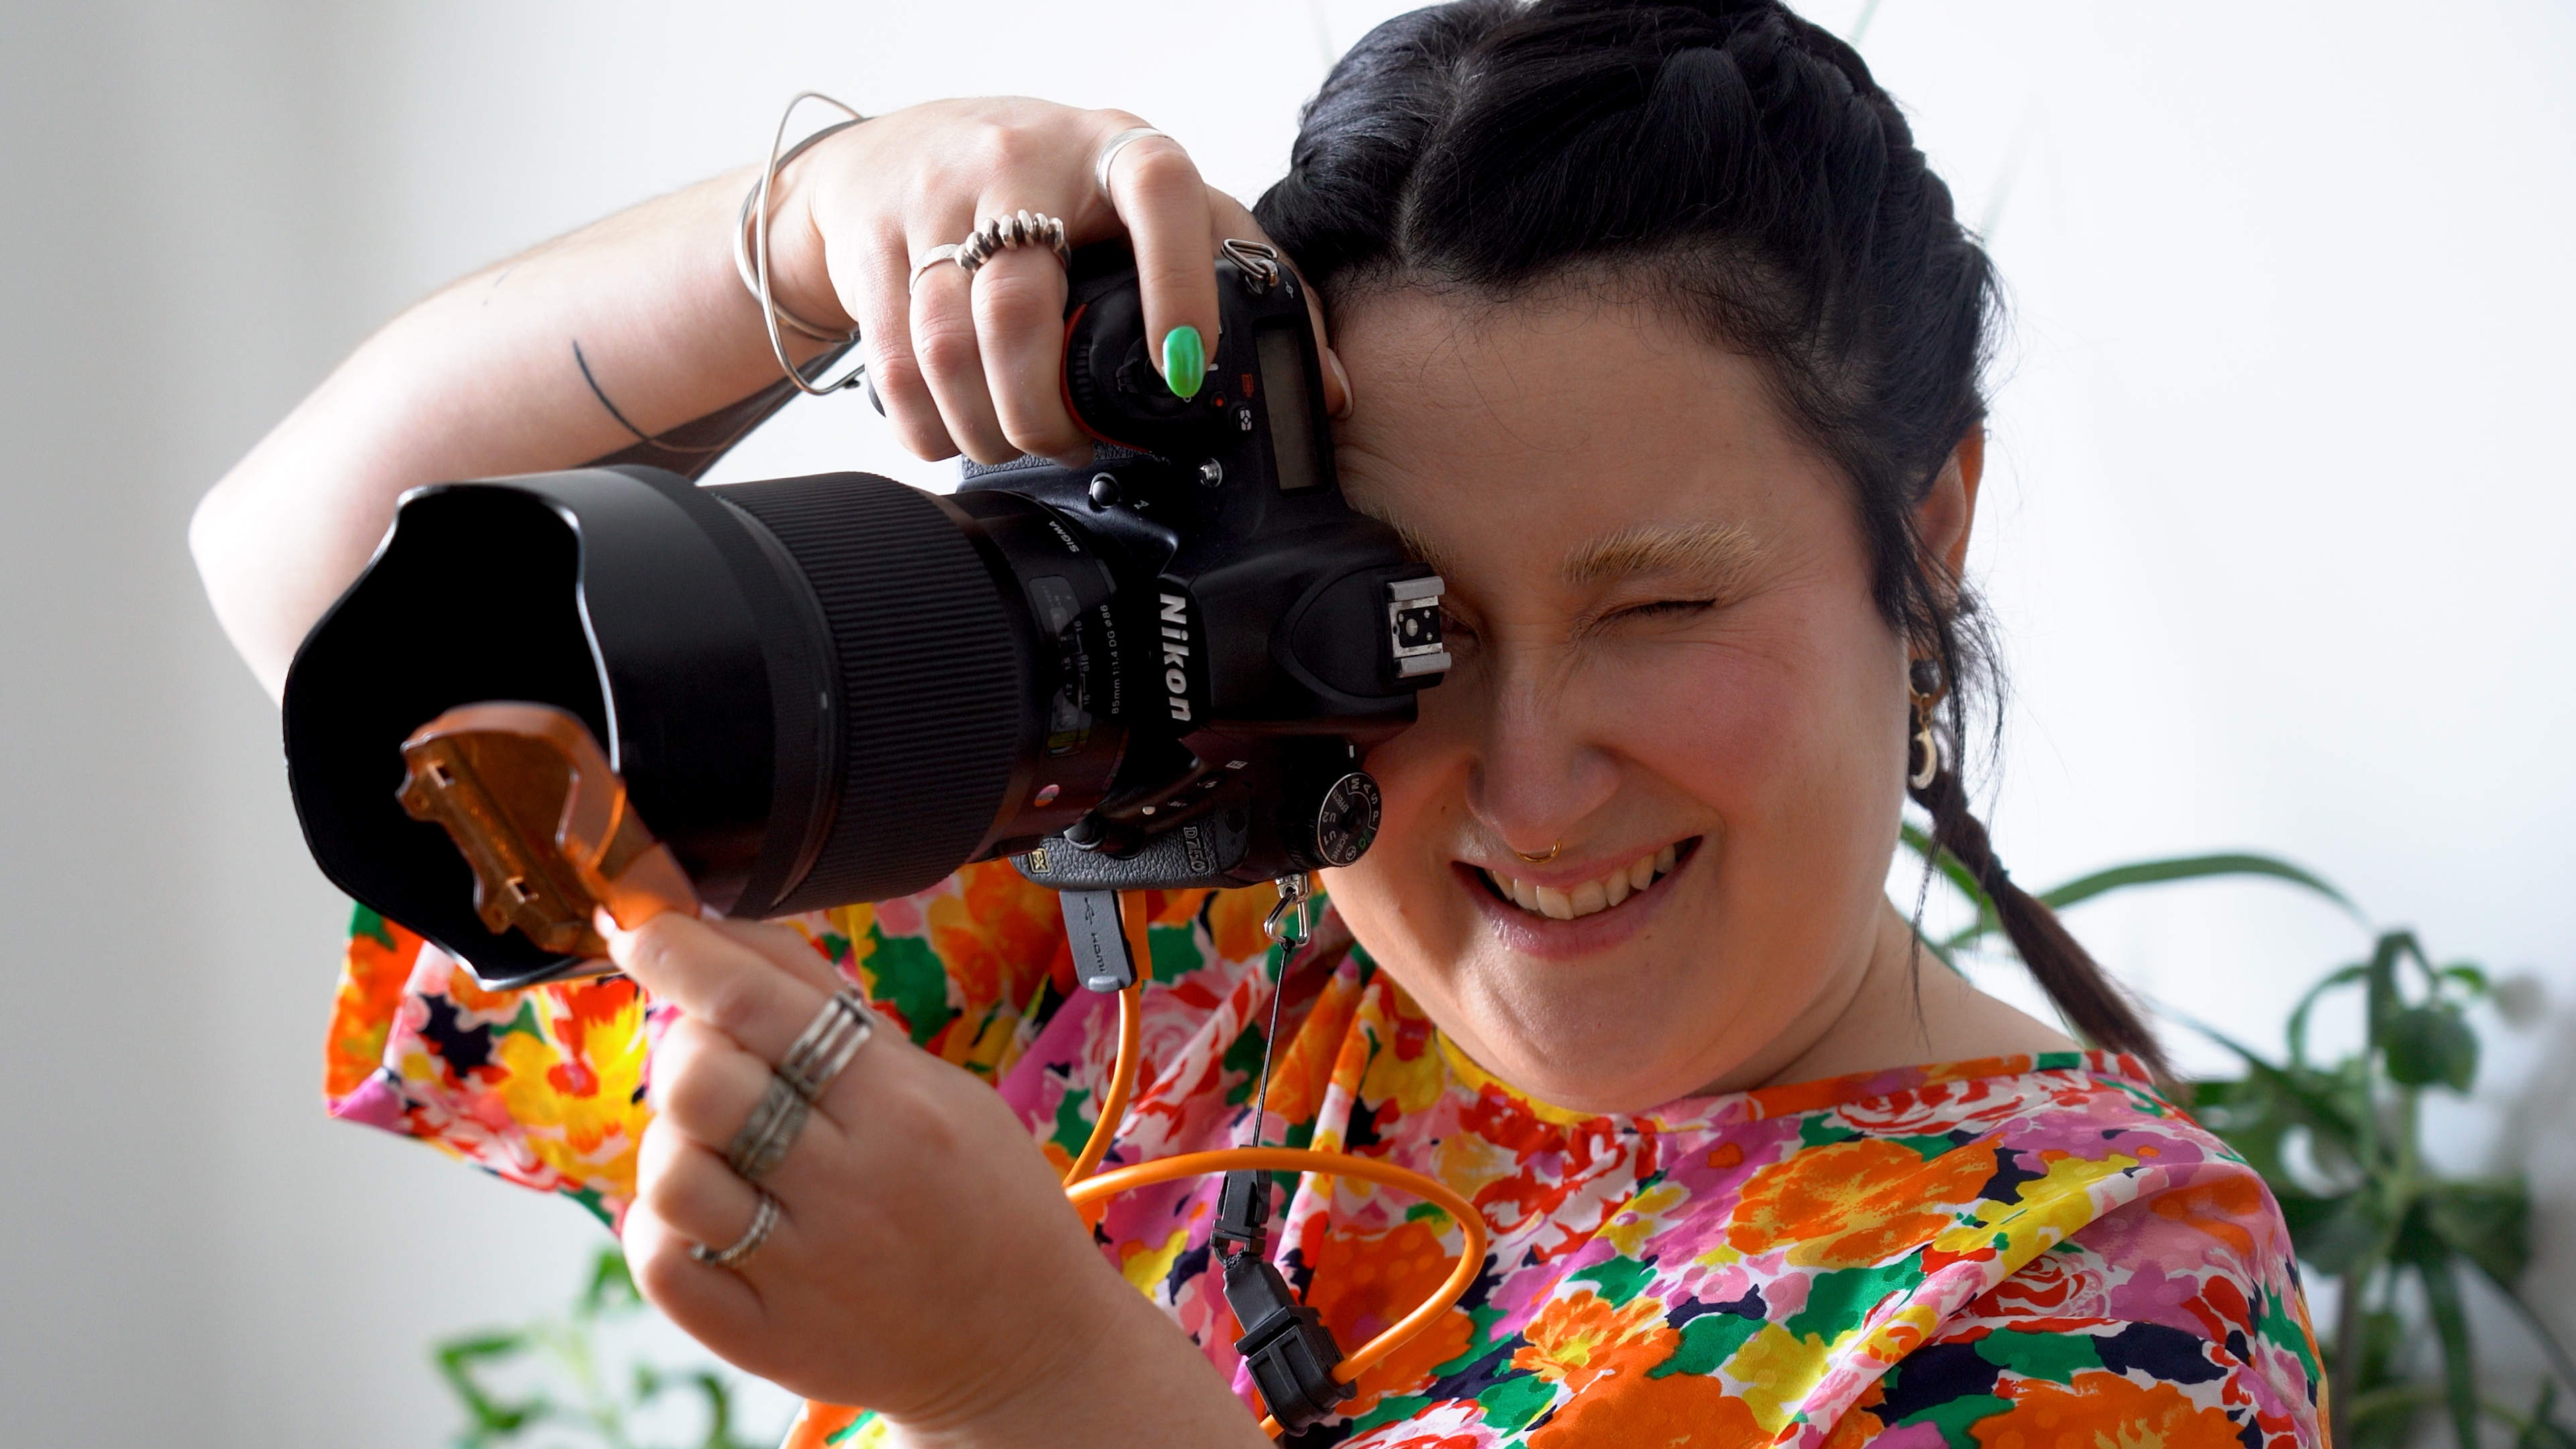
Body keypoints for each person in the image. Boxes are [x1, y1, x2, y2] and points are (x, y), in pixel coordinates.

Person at [191, 1, 2326, 1444]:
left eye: (1659, 605)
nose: (1530, 784)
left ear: (1924, 529)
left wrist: (1045, 1388)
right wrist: (813, 233)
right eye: (1406, 623)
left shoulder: (2104, 1291)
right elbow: (324, 589)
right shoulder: (1177, 941)